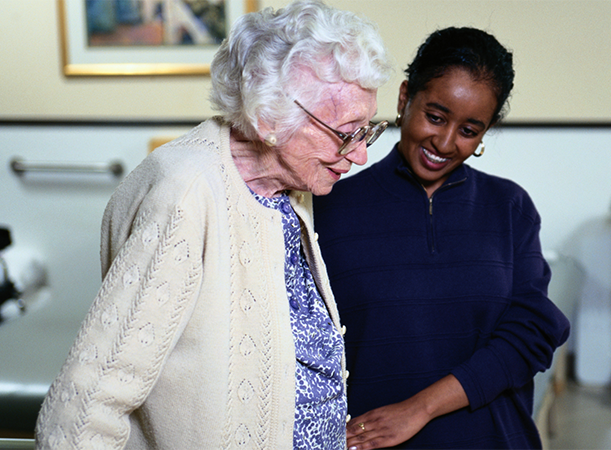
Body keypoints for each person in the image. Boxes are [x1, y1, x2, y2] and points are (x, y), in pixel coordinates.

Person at [35, 1, 392, 448]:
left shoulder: (288, 186)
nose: (360, 155)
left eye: (366, 131)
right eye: (346, 133)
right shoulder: (185, 191)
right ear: (269, 120)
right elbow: (84, 406)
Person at [313, 27, 570, 450]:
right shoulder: (328, 208)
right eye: (435, 116)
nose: (445, 142)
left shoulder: (509, 207)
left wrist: (420, 408)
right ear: (403, 98)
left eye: (469, 129)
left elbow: (531, 336)